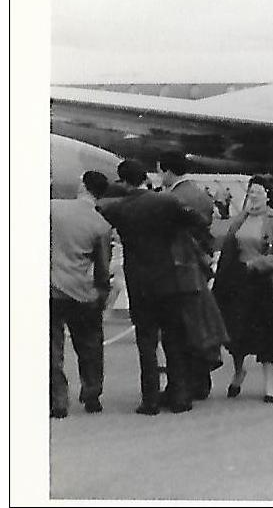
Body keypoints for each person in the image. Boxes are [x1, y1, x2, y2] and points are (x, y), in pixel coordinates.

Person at [99, 159, 211, 415]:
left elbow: (101, 211)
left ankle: (149, 398)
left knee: (146, 342)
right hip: (170, 279)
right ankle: (179, 395)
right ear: (146, 177)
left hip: (140, 281)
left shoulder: (120, 208)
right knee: (174, 338)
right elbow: (200, 220)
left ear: (123, 180)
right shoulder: (167, 202)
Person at [212, 175, 273, 403]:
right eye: (251, 191)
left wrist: (258, 264)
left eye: (258, 191)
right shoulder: (240, 219)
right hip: (238, 282)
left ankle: (268, 384)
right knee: (237, 332)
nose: (254, 195)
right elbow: (229, 247)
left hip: (263, 283)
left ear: (268, 194)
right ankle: (238, 371)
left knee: (266, 335)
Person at [157, 151, 227, 401]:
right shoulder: (200, 194)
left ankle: (184, 383)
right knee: (198, 324)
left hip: (178, 268)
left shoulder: (171, 199)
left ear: (166, 171)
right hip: (199, 265)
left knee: (180, 330)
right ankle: (201, 381)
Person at [50, 171, 113, 418]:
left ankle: (58, 400)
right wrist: (102, 292)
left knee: (52, 348)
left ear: (82, 186)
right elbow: (103, 265)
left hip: (52, 287)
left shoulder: (53, 209)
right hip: (83, 291)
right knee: (89, 345)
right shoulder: (101, 224)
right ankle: (92, 392)